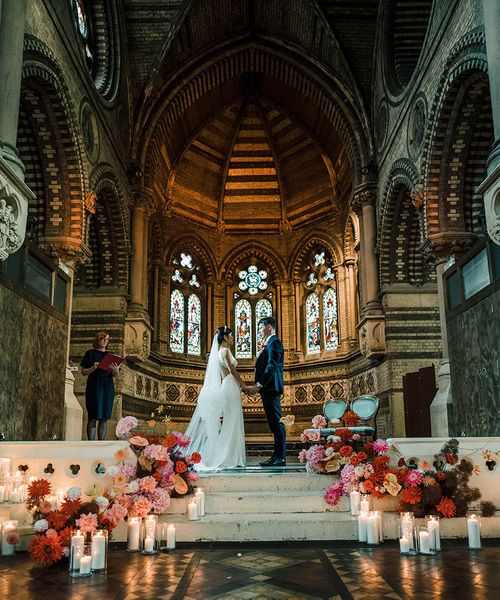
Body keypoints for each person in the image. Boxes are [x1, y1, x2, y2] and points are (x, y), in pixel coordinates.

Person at [185, 326, 246, 470]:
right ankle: (227, 456)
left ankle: (232, 456)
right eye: (231, 335)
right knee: (232, 421)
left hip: (229, 385)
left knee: (232, 420)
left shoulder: (220, 352)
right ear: (225, 337)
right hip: (230, 385)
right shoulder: (225, 351)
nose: (233, 337)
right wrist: (244, 385)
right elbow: (232, 369)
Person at [245, 317, 286, 467]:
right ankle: (276, 456)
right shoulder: (271, 343)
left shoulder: (274, 343)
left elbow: (272, 366)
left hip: (270, 388)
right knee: (274, 423)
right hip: (269, 388)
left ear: (269, 327)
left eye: (260, 327)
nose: (259, 330)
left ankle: (280, 457)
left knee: (277, 423)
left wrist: (259, 385)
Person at [80, 331, 121, 440]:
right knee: (92, 416)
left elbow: (116, 376)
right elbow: (83, 372)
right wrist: (93, 367)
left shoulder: (111, 356)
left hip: (107, 388)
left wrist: (116, 370)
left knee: (104, 417)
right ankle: (90, 444)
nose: (104, 341)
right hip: (94, 387)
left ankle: (101, 443)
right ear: (97, 340)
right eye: (102, 339)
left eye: (107, 340)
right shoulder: (90, 353)